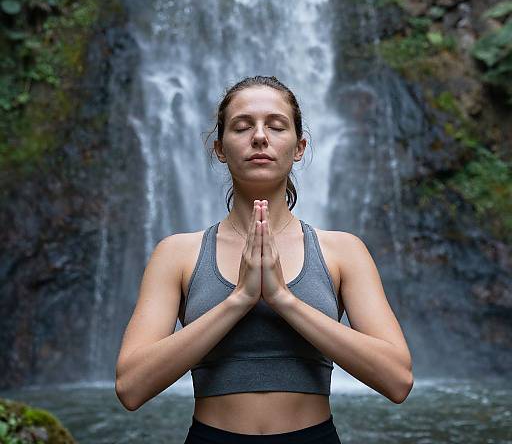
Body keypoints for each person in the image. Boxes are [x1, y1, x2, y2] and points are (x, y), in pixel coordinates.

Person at [114, 75, 414, 443]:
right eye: (242, 127)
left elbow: (397, 380)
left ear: (299, 146)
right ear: (220, 148)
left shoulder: (343, 251)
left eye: (276, 126)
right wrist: (239, 299)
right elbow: (130, 388)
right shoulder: (177, 253)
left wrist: (283, 299)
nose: (259, 136)